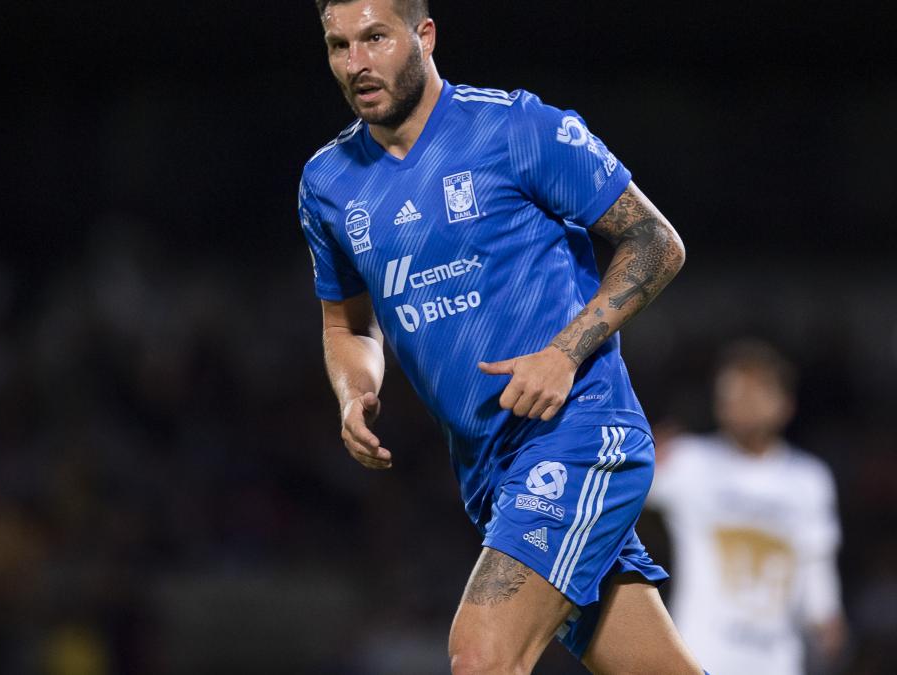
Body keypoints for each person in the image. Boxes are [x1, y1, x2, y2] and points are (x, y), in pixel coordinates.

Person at [298, 1, 704, 672]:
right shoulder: (327, 183)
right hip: (491, 472)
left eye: (375, 38)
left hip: (578, 434)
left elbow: (656, 242)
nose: (356, 63)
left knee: (481, 654)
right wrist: (354, 390)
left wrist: (563, 353)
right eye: (339, 45)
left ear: (423, 35)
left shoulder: (515, 126)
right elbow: (346, 321)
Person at [648, 340, 847, 674]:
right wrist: (639, 453)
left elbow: (815, 557)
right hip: (700, 652)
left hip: (776, 658)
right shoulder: (688, 460)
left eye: (755, 392)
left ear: (785, 404)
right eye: (732, 392)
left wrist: (826, 614)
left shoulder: (808, 479)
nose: (742, 403)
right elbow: (616, 488)